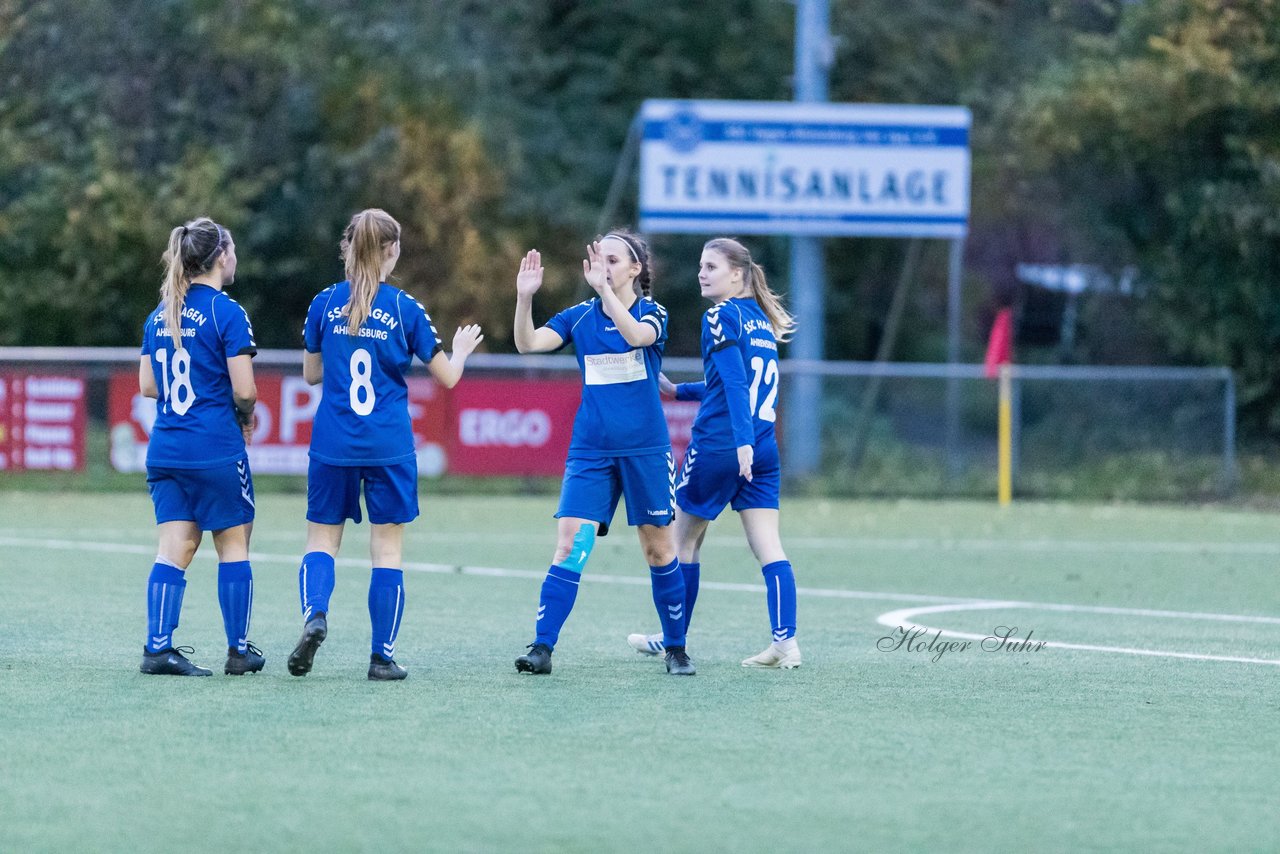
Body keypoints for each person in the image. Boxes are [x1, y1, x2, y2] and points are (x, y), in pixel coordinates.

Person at [287, 209, 482, 681]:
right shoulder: (404, 309)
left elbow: (311, 375)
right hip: (388, 445)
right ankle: (381, 658)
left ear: (347, 249)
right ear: (391, 251)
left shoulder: (323, 303)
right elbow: (448, 378)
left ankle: (315, 613)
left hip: (333, 441)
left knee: (321, 540)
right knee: (387, 550)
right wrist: (462, 351)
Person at [511, 231, 694, 676]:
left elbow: (636, 336)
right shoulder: (580, 317)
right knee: (571, 544)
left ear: (635, 270)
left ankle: (676, 648)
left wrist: (605, 292)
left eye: (615, 259)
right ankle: (542, 647)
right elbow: (527, 344)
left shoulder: (652, 312)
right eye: (599, 257)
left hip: (646, 452)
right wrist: (523, 298)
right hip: (591, 451)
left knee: (658, 549)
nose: (604, 265)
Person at [626, 237, 801, 668]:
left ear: (737, 274)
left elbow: (738, 387)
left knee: (679, 543)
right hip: (763, 446)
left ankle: (673, 639)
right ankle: (785, 643)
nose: (701, 274)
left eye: (711, 267)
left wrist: (739, 441)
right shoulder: (759, 319)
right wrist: (679, 389)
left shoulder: (720, 316)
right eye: (701, 266)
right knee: (769, 548)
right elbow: (734, 382)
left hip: (724, 445)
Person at [138, 216, 263, 677]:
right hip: (214, 447)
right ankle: (239, 650)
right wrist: (245, 417)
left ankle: (158, 647)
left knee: (173, 547)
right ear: (220, 257)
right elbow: (245, 390)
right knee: (233, 545)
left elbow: (148, 386)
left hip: (167, 448)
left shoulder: (160, 314)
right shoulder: (226, 312)